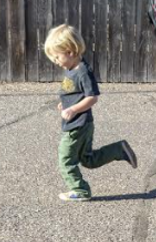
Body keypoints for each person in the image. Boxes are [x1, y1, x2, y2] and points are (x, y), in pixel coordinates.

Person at [43, 24, 137, 202]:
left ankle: (80, 190)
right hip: (80, 123)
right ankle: (118, 150)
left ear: (70, 51)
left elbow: (92, 97)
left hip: (78, 125)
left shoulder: (84, 72)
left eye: (56, 56)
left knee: (65, 159)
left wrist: (72, 109)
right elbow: (74, 93)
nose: (55, 61)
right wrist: (64, 104)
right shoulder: (71, 69)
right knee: (88, 159)